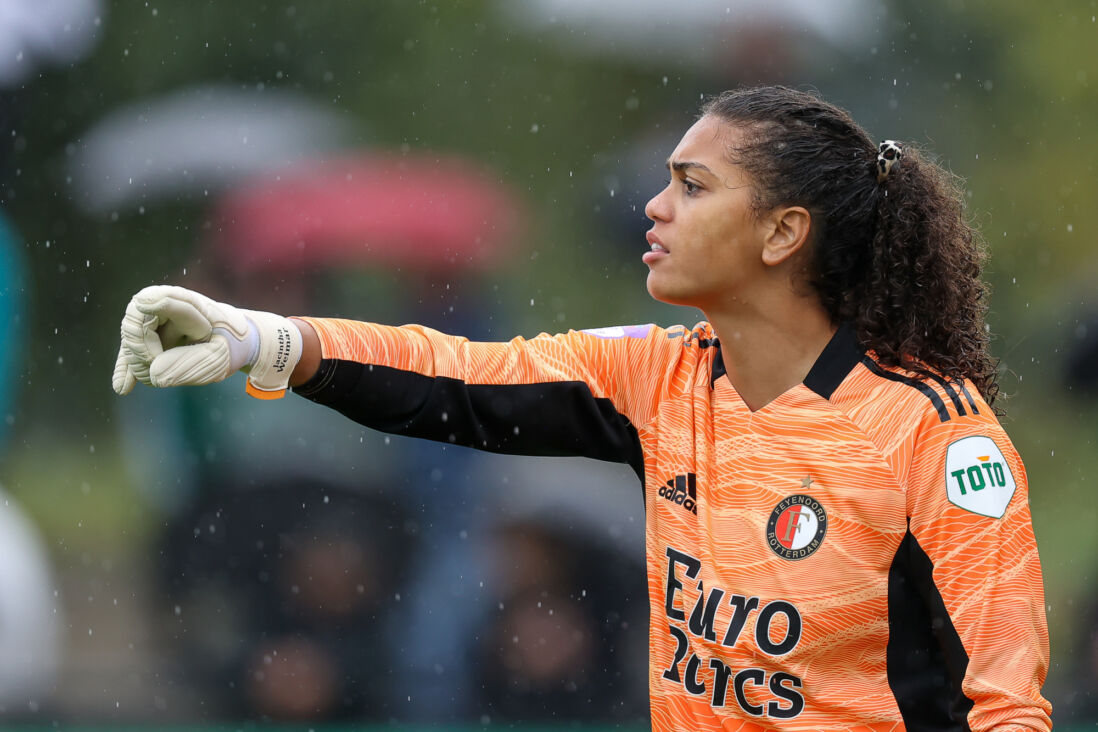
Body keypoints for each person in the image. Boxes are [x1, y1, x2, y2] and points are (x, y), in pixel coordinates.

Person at [112, 86, 1051, 729]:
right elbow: (459, 377)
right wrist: (269, 341)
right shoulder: (664, 379)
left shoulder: (932, 434)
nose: (656, 206)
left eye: (692, 185)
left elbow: (1007, 701)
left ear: (783, 232)